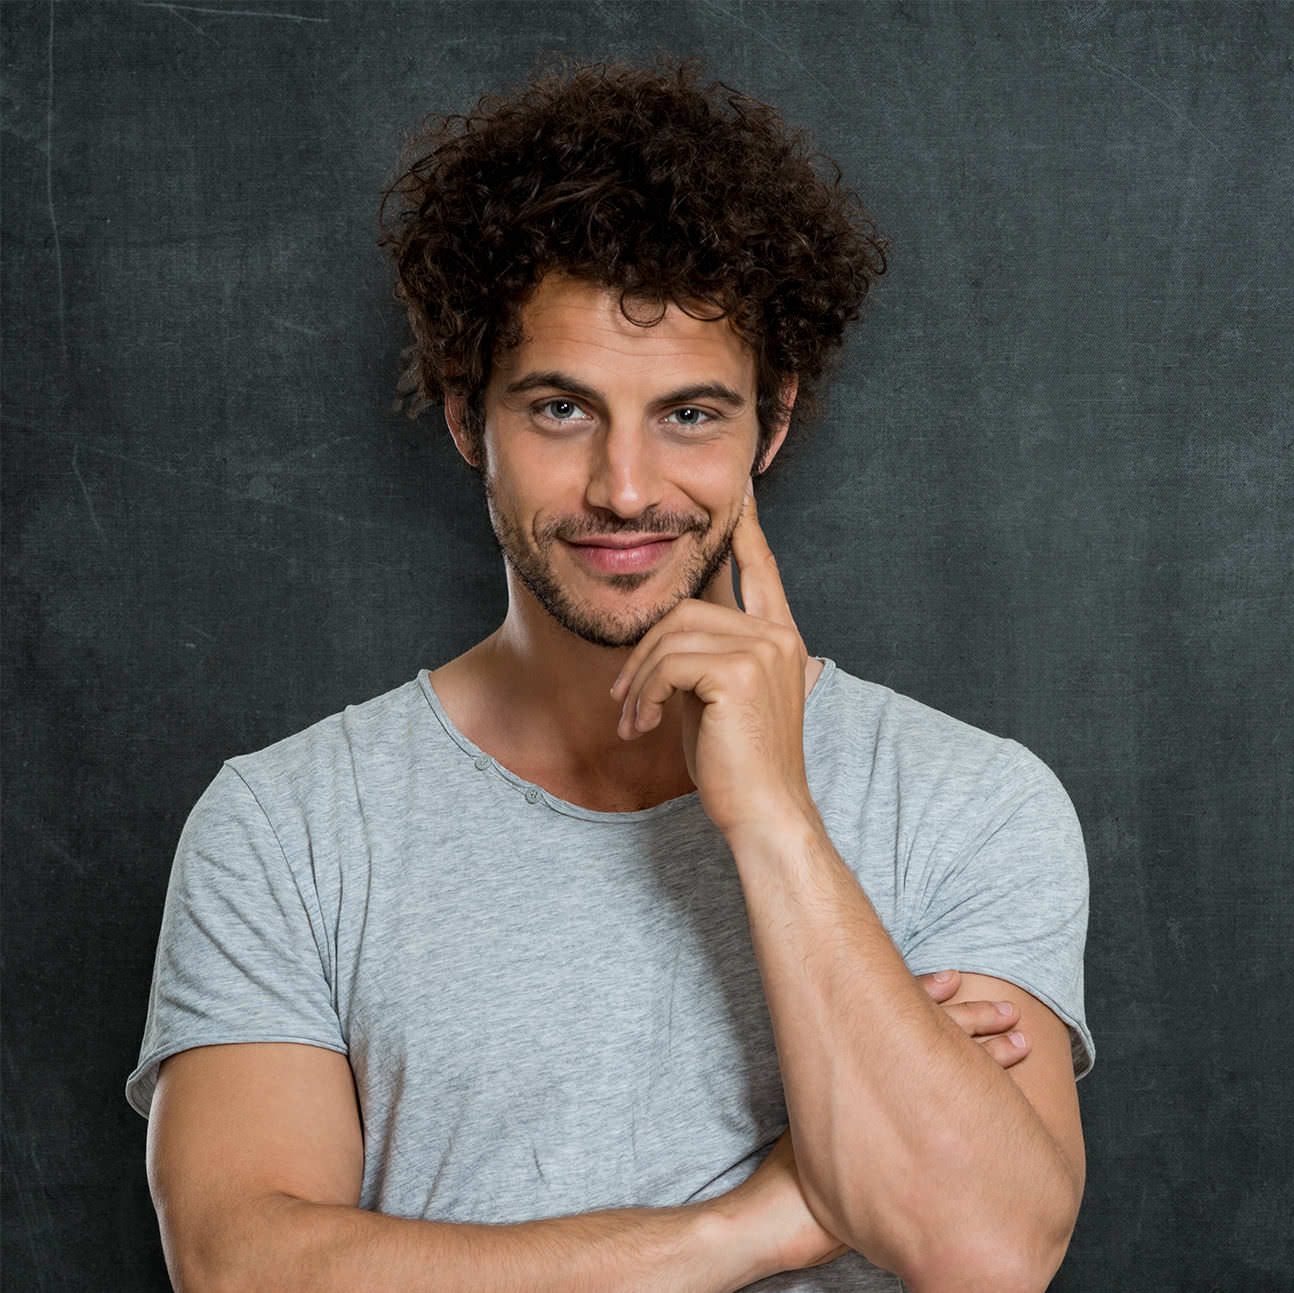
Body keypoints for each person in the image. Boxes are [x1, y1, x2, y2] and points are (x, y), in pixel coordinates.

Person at [124, 55, 1092, 1292]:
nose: (624, 490)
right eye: (561, 410)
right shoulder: (288, 824)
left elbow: (986, 1251)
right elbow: (244, 1269)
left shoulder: (968, 800)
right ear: (467, 417)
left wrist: (775, 818)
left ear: (770, 425)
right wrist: (753, 1223)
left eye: (689, 414)